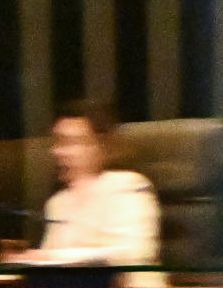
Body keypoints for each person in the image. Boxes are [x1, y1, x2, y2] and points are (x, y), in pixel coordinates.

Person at [21, 99, 160, 269]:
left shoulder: (129, 186)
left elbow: (136, 253)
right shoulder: (58, 202)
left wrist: (60, 256)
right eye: (57, 142)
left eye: (70, 142)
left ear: (100, 146)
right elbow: (48, 263)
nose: (58, 152)